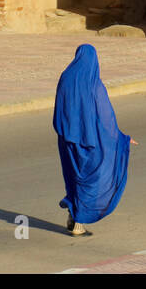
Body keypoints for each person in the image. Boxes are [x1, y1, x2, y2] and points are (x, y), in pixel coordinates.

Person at [53, 44, 137, 236]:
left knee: (73, 176)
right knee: (90, 179)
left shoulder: (66, 77)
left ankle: (73, 213)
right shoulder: (94, 84)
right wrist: (121, 138)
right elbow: (105, 117)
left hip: (67, 140)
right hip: (89, 142)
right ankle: (79, 223)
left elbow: (60, 107)